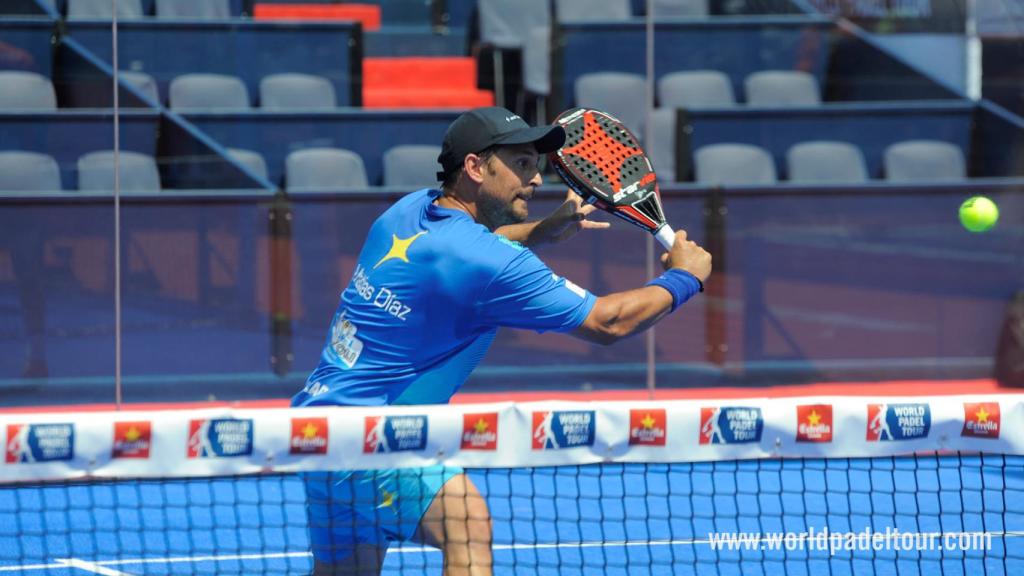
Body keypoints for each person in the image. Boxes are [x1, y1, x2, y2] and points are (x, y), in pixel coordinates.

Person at [293, 106, 712, 575]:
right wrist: (683, 278)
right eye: (522, 165)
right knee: (466, 524)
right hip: (374, 441)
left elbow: (469, 245)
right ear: (475, 167)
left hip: (315, 434)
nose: (536, 180)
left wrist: (539, 231)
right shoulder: (492, 265)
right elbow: (607, 322)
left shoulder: (408, 210)